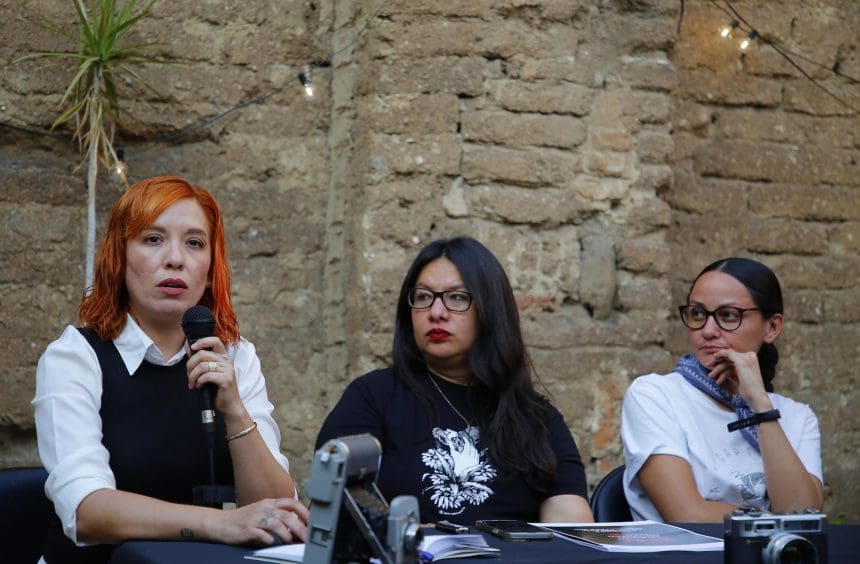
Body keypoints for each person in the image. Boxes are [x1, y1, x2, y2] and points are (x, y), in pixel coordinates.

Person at [33, 176, 308, 563]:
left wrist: (235, 411)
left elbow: (275, 509)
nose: (175, 258)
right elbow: (86, 510)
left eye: (194, 243)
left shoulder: (235, 356)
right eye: (153, 239)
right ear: (119, 257)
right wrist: (220, 525)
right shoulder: (74, 357)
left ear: (211, 269)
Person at [315, 236, 593, 524]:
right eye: (423, 297)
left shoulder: (536, 417)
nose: (436, 313)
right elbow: (339, 510)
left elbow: (571, 523)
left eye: (457, 297)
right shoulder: (372, 397)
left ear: (490, 310)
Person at [621, 258, 823, 522]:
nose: (707, 331)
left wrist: (760, 406)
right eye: (698, 314)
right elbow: (688, 515)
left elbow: (802, 517)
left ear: (771, 327)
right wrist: (775, 519)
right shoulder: (655, 396)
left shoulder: (797, 417)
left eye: (729, 316)